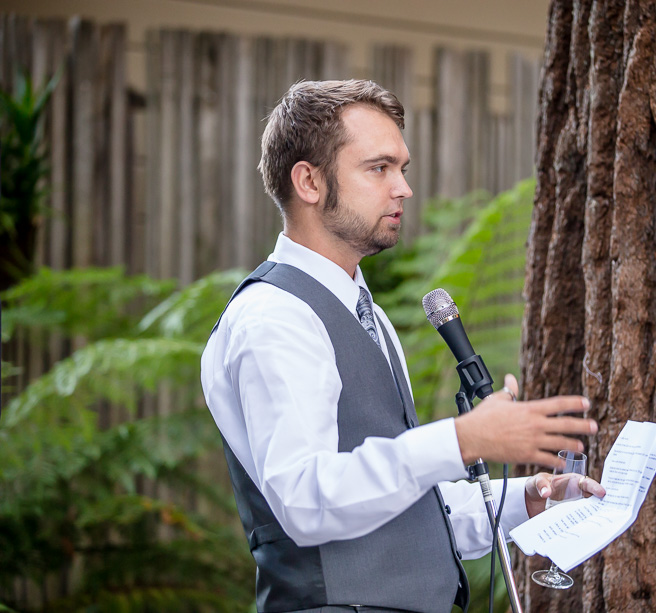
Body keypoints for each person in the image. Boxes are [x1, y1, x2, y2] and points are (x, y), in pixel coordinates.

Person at [201, 79, 604, 613]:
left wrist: (527, 500)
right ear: (309, 182)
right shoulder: (275, 318)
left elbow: (408, 519)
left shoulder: (369, 314)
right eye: (378, 168)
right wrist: (461, 439)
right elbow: (307, 500)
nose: (403, 188)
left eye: (402, 169)